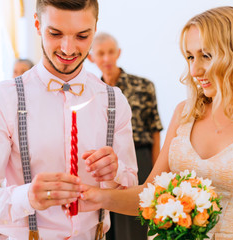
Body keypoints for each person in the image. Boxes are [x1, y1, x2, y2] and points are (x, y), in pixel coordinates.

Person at [80, 6, 233, 240]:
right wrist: (93, 196)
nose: (194, 69)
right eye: (190, 56)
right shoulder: (185, 114)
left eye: (206, 56)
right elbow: (148, 197)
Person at [0, 0, 138, 239]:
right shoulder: (6, 99)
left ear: (95, 28)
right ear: (37, 24)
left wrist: (115, 174)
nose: (68, 48)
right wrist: (27, 197)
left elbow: (132, 189)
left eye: (82, 36)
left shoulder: (113, 101)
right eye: (55, 33)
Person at [88, 32, 163, 240]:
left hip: (141, 156)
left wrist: (157, 170)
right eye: (100, 53)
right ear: (91, 57)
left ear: (118, 53)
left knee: (135, 221)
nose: (106, 58)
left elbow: (155, 129)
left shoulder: (144, 86)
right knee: (108, 220)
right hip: (105, 163)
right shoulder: (92, 92)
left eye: (110, 52)